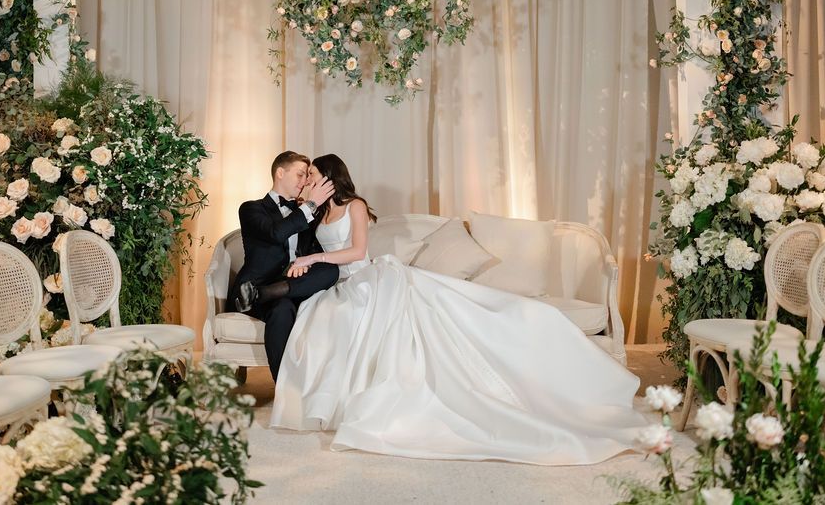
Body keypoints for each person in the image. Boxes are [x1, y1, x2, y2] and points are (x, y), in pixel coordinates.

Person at [270, 154, 647, 465]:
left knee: (406, 315)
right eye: (305, 177)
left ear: (331, 178)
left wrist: (316, 255)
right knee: (322, 318)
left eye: (314, 175)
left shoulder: (355, 206)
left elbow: (355, 252)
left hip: (368, 278)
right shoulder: (315, 213)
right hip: (339, 284)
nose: (308, 181)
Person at [229, 151, 339, 380]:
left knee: (331, 269)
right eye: (300, 175)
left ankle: (261, 294)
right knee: (282, 310)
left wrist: (305, 265)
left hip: (289, 285)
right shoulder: (251, 208)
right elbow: (276, 233)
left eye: (307, 177)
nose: (305, 182)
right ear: (280, 173)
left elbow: (314, 252)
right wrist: (310, 205)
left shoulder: (305, 214)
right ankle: (285, 390)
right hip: (254, 286)